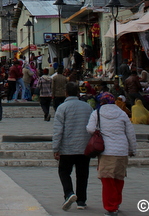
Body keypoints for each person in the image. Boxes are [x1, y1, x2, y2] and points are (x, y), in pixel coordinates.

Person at [87, 92, 137, 216]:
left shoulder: (97, 113)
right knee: (118, 178)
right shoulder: (122, 113)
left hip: (107, 151)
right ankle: (117, 202)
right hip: (121, 151)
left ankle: (111, 207)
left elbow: (90, 128)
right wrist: (133, 149)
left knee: (107, 179)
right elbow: (130, 133)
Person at [52, 82, 93, 211]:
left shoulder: (62, 108)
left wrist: (55, 148)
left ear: (66, 93)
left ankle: (69, 193)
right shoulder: (88, 107)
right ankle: (81, 201)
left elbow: (58, 130)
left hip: (67, 147)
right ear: (77, 93)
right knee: (82, 174)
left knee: (64, 172)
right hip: (84, 147)